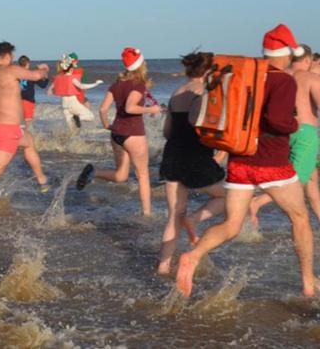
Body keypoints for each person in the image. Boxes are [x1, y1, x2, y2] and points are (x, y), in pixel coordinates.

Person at [177, 24, 318, 298]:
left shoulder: (244, 74)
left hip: (239, 160)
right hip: (272, 162)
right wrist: (295, 123)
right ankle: (308, 283)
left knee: (232, 225)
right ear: (288, 53)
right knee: (300, 218)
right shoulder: (283, 80)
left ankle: (193, 255)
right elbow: (278, 121)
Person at [156, 52, 227, 275]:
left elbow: (167, 132)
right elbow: (205, 129)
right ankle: (194, 219)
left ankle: (163, 266)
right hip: (195, 156)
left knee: (173, 215)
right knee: (228, 197)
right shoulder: (203, 94)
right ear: (207, 71)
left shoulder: (176, 94)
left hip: (172, 155)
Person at [76, 48, 160, 216]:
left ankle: (94, 172)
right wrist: (152, 108)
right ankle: (147, 214)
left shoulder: (116, 85)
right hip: (133, 134)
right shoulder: (138, 85)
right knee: (143, 175)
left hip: (116, 134)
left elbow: (102, 109)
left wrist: (107, 125)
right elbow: (130, 107)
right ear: (140, 65)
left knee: (121, 175)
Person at [0, 41, 51, 203]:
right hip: (7, 129)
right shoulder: (11, 70)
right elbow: (35, 76)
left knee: (28, 141)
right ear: (6, 55)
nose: (12, 60)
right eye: (11, 57)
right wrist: (44, 69)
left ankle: (42, 179)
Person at [249, 45, 320, 225]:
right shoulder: (310, 77)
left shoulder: (280, 77)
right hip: (306, 134)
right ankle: (257, 202)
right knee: (297, 180)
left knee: (311, 181)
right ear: (307, 60)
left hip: (284, 133)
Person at [49, 53, 103, 129]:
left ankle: (69, 137)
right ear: (76, 61)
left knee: (71, 127)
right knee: (89, 115)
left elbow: (51, 90)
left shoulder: (59, 76)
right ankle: (80, 122)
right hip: (75, 100)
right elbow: (83, 86)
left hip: (64, 104)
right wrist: (96, 84)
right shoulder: (77, 73)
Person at [18, 55, 51, 129]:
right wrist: (46, 76)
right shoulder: (31, 74)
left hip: (17, 101)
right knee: (28, 122)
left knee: (18, 122)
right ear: (27, 64)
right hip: (28, 101)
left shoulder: (16, 74)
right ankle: (27, 137)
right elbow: (43, 85)